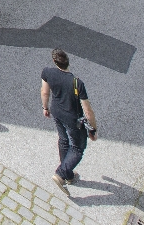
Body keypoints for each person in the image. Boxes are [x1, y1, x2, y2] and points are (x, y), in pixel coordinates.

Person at [41, 48, 98, 194]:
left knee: (63, 140)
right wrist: (92, 129)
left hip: (56, 112)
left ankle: (69, 176)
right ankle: (61, 174)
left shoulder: (48, 72)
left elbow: (45, 92)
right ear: (68, 62)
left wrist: (45, 107)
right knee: (78, 148)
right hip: (72, 119)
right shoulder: (77, 83)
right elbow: (87, 110)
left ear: (55, 62)